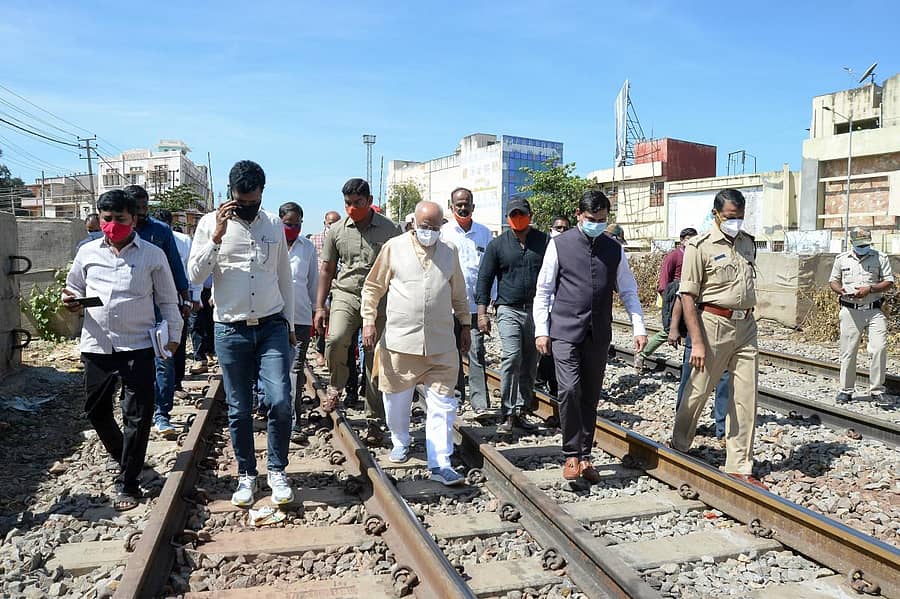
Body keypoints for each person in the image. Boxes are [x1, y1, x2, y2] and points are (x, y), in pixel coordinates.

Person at [63, 190, 181, 511]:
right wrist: (71, 300)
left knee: (137, 415)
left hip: (138, 346)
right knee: (96, 410)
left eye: (121, 219)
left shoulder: (153, 255)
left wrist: (173, 336)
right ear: (100, 218)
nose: (113, 225)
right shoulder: (86, 253)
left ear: (134, 219)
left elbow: (168, 301)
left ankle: (128, 482)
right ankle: (126, 456)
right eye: (107, 219)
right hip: (97, 346)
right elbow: (74, 288)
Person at [188, 160, 296, 507]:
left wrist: (290, 325)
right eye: (241, 199)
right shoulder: (208, 225)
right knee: (239, 408)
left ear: (262, 193)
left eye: (253, 200)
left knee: (280, 401)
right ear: (230, 193)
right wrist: (217, 237)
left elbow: (284, 277)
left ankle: (277, 470)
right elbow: (194, 275)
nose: (247, 206)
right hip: (230, 330)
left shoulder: (274, 225)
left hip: (271, 327)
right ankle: (247, 474)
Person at [534, 189, 647, 482]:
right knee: (570, 389)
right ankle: (571, 453)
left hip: (598, 333)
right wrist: (541, 330)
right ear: (578, 215)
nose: (596, 223)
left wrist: (639, 326)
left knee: (590, 396)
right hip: (564, 331)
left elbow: (628, 290)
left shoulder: (614, 249)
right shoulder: (559, 245)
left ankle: (585, 456)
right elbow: (544, 290)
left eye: (601, 219)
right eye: (591, 219)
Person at [361, 201, 470, 485]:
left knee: (443, 404)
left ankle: (441, 462)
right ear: (413, 224)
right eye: (425, 227)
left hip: (441, 343)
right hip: (400, 342)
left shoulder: (449, 252)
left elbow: (458, 293)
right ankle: (400, 439)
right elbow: (373, 288)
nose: (430, 232)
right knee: (396, 402)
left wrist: (466, 324)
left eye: (435, 228)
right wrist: (369, 320)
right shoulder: (393, 247)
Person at [672, 189, 766, 490]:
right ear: (716, 214)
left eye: (739, 217)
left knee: (745, 395)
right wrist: (697, 342)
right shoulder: (699, 247)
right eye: (729, 217)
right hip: (713, 323)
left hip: (746, 326)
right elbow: (687, 296)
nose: (735, 222)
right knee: (698, 391)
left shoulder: (748, 244)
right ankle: (679, 444)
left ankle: (739, 464)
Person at [313, 178, 401, 444]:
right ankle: (337, 384)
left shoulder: (391, 230)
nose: (352, 208)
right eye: (347, 204)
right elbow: (327, 269)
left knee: (376, 359)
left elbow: (401, 267)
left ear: (369, 200)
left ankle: (375, 420)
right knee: (336, 339)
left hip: (380, 300)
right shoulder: (337, 231)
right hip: (346, 295)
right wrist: (320, 306)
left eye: (357, 203)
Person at [123, 185, 191, 440]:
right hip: (133, 310)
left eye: (145, 206)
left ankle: (163, 414)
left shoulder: (160, 231)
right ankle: (138, 411)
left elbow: (175, 266)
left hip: (161, 306)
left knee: (164, 360)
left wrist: (185, 298)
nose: (142, 212)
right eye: (137, 208)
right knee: (134, 365)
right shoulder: (121, 232)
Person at [475, 197, 548, 433]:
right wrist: (482, 313)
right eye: (513, 215)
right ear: (507, 218)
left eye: (522, 214)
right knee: (512, 357)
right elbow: (484, 279)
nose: (518, 219)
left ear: (530, 215)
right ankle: (507, 411)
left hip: (536, 309)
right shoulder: (497, 245)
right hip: (508, 309)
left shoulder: (543, 241)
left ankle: (521, 410)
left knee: (530, 363)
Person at [441, 187, 492, 420]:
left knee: (476, 352)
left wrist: (491, 301)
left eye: (467, 203)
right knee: (451, 354)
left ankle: (480, 402)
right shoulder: (443, 233)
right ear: (451, 206)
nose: (463, 207)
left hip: (475, 306)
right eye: (458, 204)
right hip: (447, 306)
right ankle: (456, 396)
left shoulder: (484, 234)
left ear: (473, 206)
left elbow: (491, 270)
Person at [829, 227, 894, 405]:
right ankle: (846, 390)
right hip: (850, 310)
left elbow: (889, 281)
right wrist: (840, 290)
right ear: (852, 243)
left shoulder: (880, 257)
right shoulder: (841, 259)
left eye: (866, 244)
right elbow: (833, 281)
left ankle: (877, 390)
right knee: (848, 352)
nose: (863, 247)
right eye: (860, 245)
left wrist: (871, 289)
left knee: (879, 348)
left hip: (874, 310)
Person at [668, 291, 730, 440]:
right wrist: (673, 327)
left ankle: (722, 430)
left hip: (726, 332)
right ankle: (681, 426)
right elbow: (681, 297)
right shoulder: (697, 268)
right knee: (690, 381)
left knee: (725, 380)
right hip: (698, 329)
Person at [279, 202, 318, 431]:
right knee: (276, 369)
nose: (293, 228)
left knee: (294, 369)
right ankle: (271, 406)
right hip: (273, 317)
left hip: (301, 317)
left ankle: (293, 423)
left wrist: (316, 311)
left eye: (297, 224)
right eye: (288, 224)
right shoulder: (270, 244)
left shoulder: (308, 248)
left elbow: (313, 283)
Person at [635, 228, 698, 370]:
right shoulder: (674, 256)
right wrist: (667, 299)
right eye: (689, 238)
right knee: (669, 330)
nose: (692, 242)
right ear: (682, 240)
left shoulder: (696, 255)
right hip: (674, 295)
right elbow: (664, 279)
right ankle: (642, 355)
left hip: (691, 295)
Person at [153, 209, 199, 402]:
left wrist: (192, 298)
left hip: (177, 299)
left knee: (176, 343)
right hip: (152, 300)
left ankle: (176, 383)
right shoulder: (146, 240)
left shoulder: (183, 242)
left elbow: (188, 270)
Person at [309, 211, 342, 367]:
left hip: (338, 285)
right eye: (330, 223)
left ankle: (331, 353)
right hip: (320, 285)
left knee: (334, 322)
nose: (332, 226)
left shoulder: (343, 238)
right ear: (325, 223)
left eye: (336, 223)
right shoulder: (314, 240)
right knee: (321, 319)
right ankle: (320, 351)